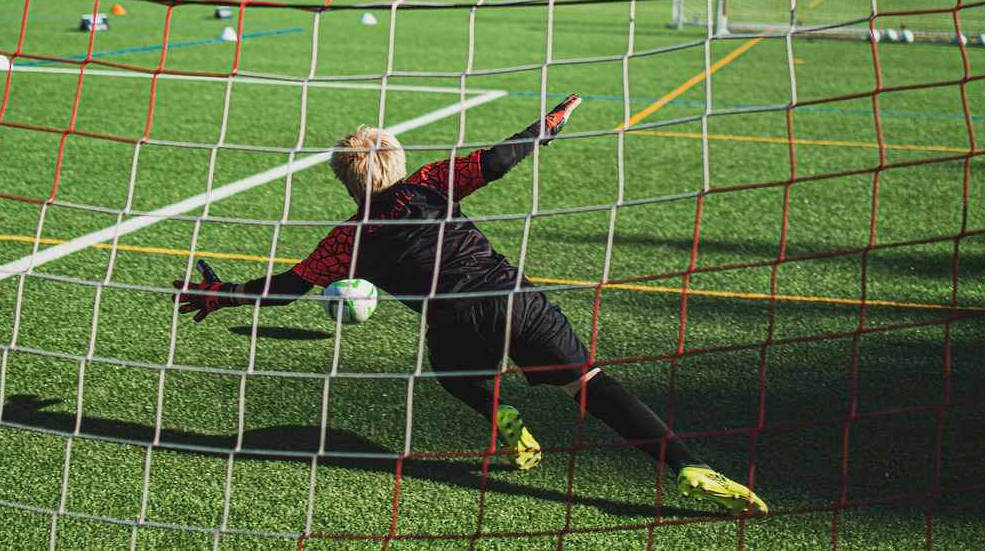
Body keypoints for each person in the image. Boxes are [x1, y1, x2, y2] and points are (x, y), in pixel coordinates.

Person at [173, 96, 769, 516]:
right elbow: (503, 159)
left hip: (456, 321)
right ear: (400, 164)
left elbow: (287, 288)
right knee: (591, 386)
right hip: (512, 299)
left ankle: (503, 419)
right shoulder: (433, 180)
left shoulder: (346, 240)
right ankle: (688, 467)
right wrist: (550, 122)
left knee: (453, 376)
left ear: (343, 181)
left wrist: (219, 295)